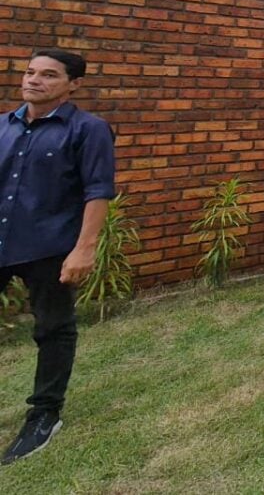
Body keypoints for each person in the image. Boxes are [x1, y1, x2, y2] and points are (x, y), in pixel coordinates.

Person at [0, 49, 115, 464]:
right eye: (30, 72)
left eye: (49, 75)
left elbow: (98, 190)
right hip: (2, 242)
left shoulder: (89, 129)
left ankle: (44, 413)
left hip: (50, 248)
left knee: (53, 329)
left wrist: (84, 248)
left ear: (72, 85)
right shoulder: (4, 127)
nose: (34, 80)